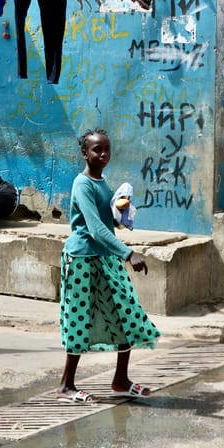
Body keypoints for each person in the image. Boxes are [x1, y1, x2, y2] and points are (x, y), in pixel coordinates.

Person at [56, 128, 161, 403]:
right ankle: (66, 385)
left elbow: (105, 224)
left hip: (105, 258)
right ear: (84, 153)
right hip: (82, 260)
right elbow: (93, 229)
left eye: (106, 149)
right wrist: (128, 254)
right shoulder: (82, 184)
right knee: (80, 322)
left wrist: (119, 215)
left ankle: (120, 380)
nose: (103, 154)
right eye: (96, 150)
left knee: (127, 314)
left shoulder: (100, 182)